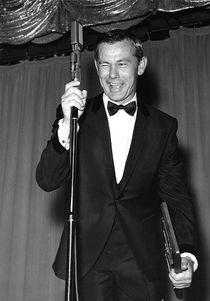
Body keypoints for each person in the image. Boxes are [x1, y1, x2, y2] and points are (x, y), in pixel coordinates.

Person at [36, 29, 198, 301]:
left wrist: (186, 254)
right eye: (105, 65)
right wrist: (66, 124)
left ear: (141, 66)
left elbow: (175, 197)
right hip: (87, 258)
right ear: (97, 68)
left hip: (141, 258)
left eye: (122, 64)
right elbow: (47, 179)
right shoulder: (76, 115)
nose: (112, 75)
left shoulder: (163, 127)